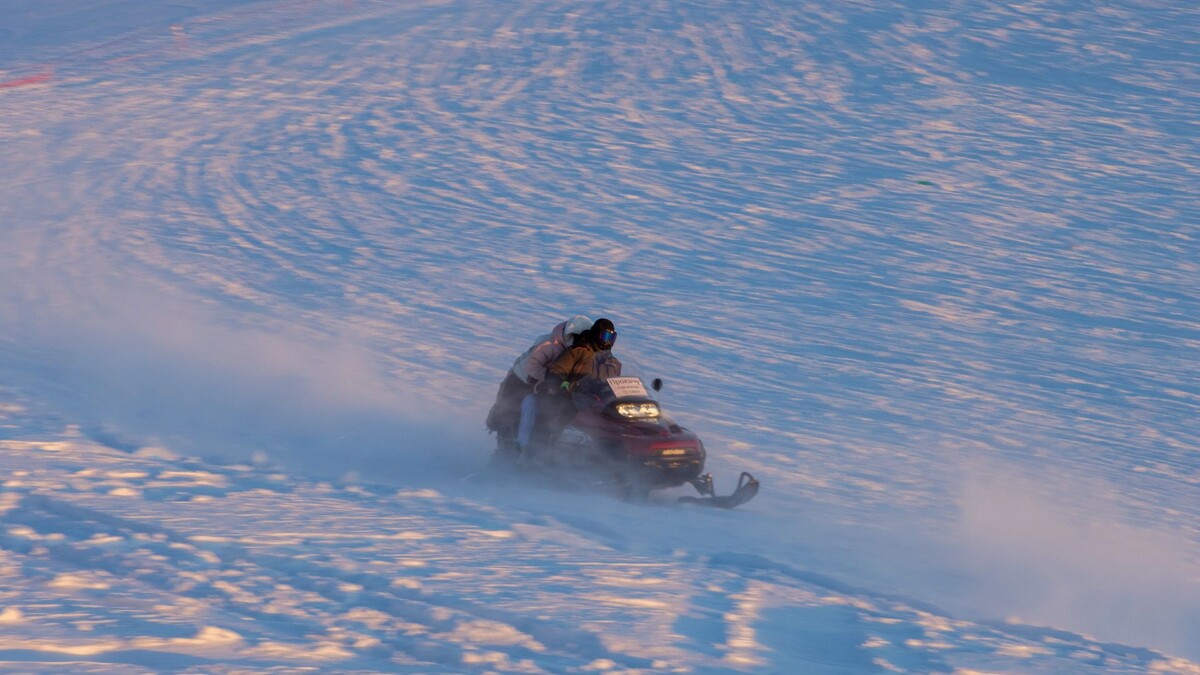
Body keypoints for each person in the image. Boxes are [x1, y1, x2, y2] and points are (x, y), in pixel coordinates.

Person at [486, 315, 592, 452]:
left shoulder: (574, 351)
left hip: (537, 385)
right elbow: (532, 367)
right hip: (521, 382)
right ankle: (521, 448)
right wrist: (554, 381)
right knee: (525, 409)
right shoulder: (550, 346)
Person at [534, 318, 621, 446]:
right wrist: (563, 384)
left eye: (612, 337)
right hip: (573, 398)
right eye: (605, 336)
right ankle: (547, 447)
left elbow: (617, 383)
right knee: (563, 416)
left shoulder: (613, 363)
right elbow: (556, 371)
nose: (608, 340)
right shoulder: (578, 351)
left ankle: (621, 450)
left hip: (602, 403)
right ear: (597, 334)